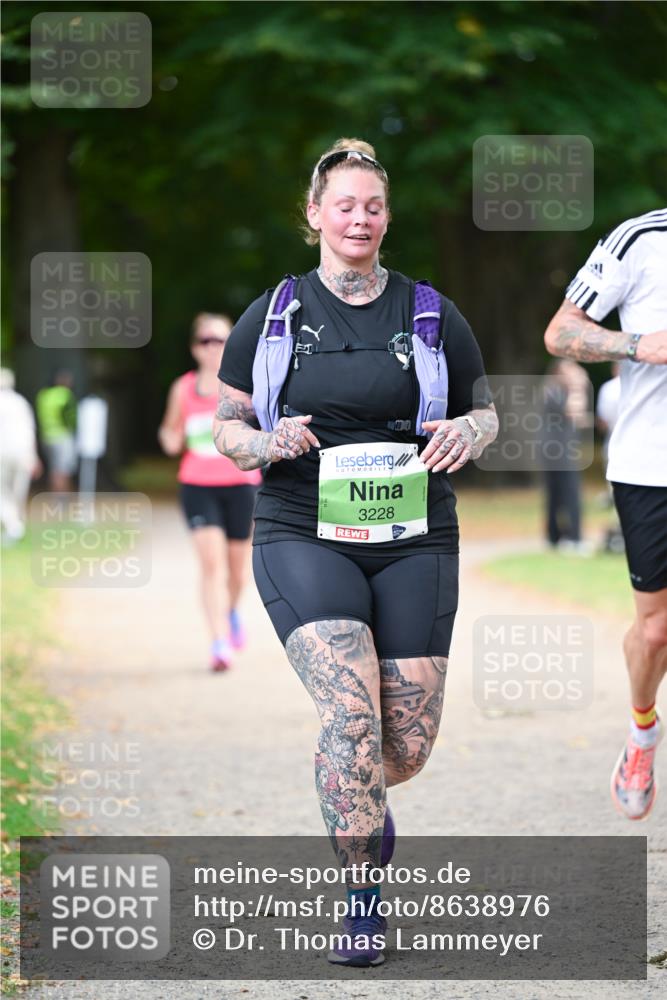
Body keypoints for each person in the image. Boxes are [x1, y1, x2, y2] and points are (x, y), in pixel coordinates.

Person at [213, 138, 498, 966]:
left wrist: (466, 432)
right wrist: (264, 443)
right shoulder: (274, 314)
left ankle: (360, 799)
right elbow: (225, 426)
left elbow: (484, 413)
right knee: (349, 716)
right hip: (301, 526)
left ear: (386, 217)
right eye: (344, 204)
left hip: (413, 535)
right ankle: (362, 907)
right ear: (315, 215)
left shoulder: (430, 311)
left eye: (372, 206)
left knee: (400, 748)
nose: (359, 218)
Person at [544, 207, 667, 821]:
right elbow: (561, 333)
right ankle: (643, 730)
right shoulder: (640, 239)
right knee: (656, 631)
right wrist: (639, 344)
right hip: (651, 465)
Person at [159, 313, 261, 671]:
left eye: (220, 340)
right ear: (194, 348)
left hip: (242, 485)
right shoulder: (182, 388)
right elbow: (169, 430)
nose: (213, 346)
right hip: (198, 485)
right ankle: (219, 642)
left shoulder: (247, 386)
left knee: (238, 574)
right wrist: (170, 439)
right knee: (211, 566)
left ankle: (229, 612)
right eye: (205, 340)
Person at [541, 358, 592, 553]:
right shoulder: (554, 391)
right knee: (570, 492)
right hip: (559, 451)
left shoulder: (557, 391)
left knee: (557, 493)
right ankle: (573, 538)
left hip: (558, 449)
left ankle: (555, 537)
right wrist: (579, 387)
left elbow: (579, 418)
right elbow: (574, 411)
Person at [0, 368, 42, 542]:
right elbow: (30, 430)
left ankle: (14, 526)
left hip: (3, 452)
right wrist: (34, 456)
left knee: (3, 491)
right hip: (23, 452)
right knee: (19, 490)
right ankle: (17, 524)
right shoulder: (21, 402)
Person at [35, 370, 77, 492]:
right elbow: (70, 416)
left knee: (54, 470)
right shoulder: (65, 394)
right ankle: (62, 498)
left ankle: (55, 497)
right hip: (62, 436)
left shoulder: (44, 394)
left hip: (46, 437)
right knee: (63, 471)